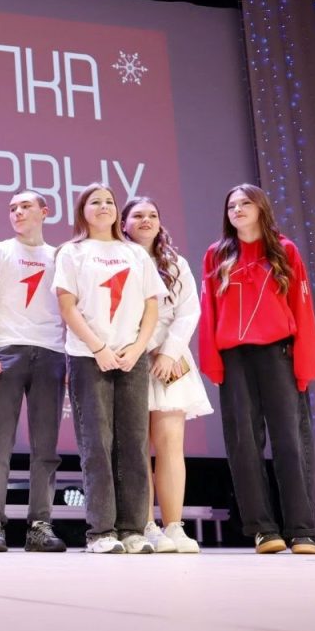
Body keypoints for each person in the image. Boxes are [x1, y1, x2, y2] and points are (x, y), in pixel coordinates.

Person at [199, 184, 315, 555]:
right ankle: (263, 529)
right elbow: (209, 311)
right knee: (243, 444)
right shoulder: (216, 254)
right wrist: (211, 360)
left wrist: (305, 362)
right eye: (231, 205)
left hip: (279, 355)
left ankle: (302, 529)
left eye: (245, 203)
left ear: (261, 208)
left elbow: (302, 306)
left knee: (290, 441)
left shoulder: (285, 250)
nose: (237, 209)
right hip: (234, 359)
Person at [52, 183, 165, 554]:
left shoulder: (135, 253)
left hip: (132, 357)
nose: (104, 206)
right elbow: (67, 306)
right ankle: (100, 532)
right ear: (82, 211)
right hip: (88, 357)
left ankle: (132, 529)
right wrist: (98, 347)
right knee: (97, 444)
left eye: (109, 201)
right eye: (95, 202)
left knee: (133, 443)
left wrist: (137, 348)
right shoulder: (72, 252)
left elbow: (152, 307)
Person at [0, 190, 67, 553]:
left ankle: (40, 525)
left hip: (51, 354)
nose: (17, 212)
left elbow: (73, 307)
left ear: (45, 211)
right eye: (12, 208)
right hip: (5, 351)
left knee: (46, 446)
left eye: (25, 206)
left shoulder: (60, 256)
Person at [121, 197, 213, 554]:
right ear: (124, 224)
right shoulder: (116, 258)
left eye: (153, 215)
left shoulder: (176, 263)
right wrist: (136, 349)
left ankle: (174, 526)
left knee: (171, 444)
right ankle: (145, 526)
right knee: (136, 448)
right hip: (130, 357)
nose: (146, 220)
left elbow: (189, 311)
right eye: (138, 215)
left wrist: (170, 351)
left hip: (170, 360)